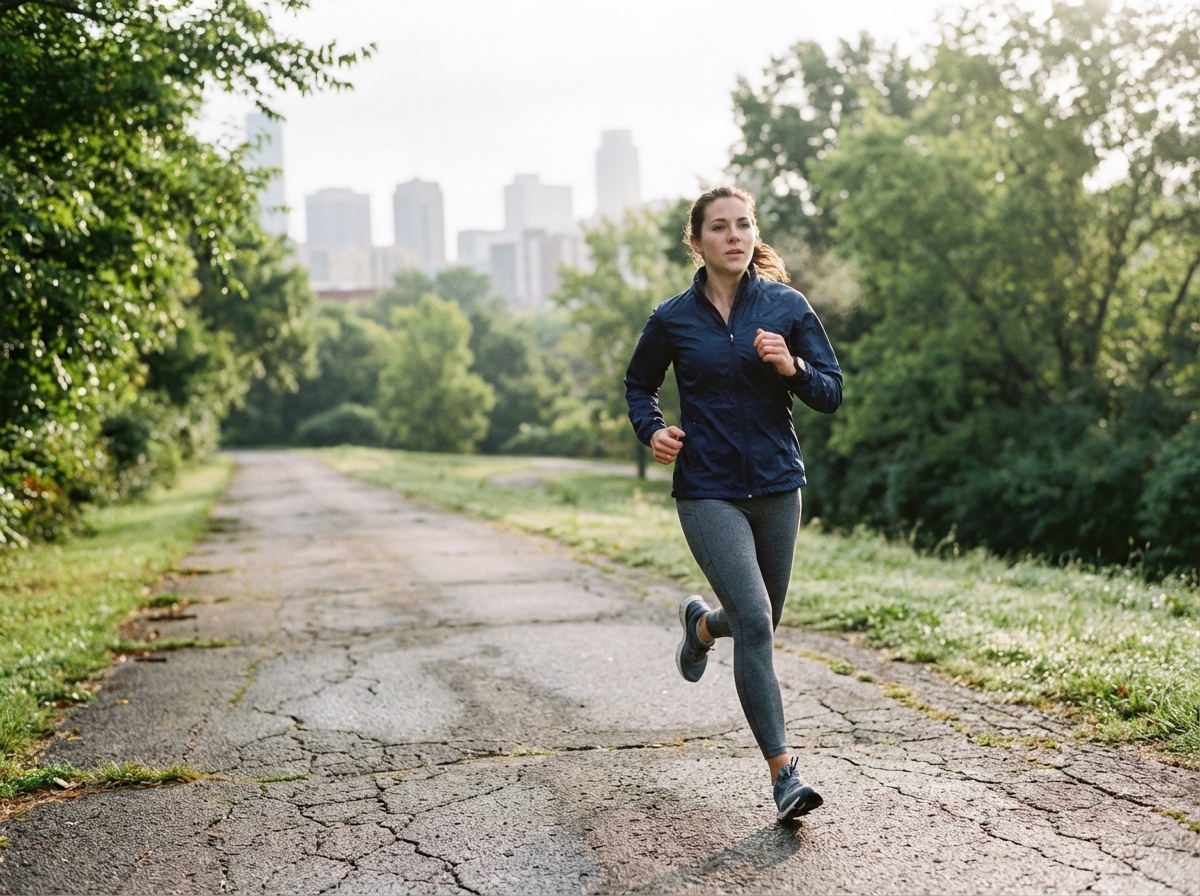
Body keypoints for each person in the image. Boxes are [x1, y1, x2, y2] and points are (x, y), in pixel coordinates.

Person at [624, 185, 843, 823]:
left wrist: (792, 367)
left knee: (759, 621)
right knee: (755, 618)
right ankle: (784, 774)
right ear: (696, 242)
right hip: (708, 488)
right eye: (719, 228)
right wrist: (653, 428)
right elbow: (640, 384)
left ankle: (700, 626)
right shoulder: (671, 319)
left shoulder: (785, 306)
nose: (735, 237)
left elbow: (830, 391)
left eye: (743, 225)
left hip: (778, 484)